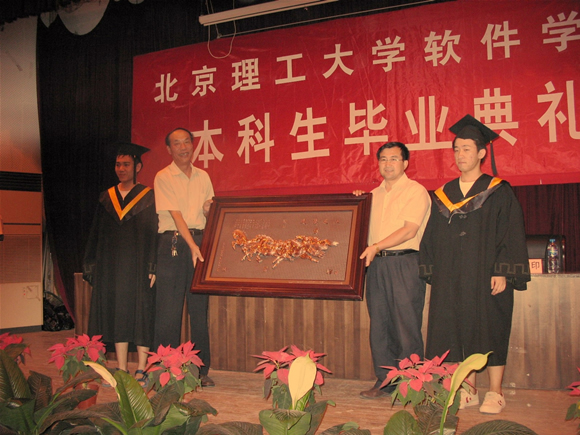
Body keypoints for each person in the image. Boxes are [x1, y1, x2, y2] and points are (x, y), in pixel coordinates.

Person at [419, 115, 531, 414]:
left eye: (466, 149)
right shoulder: (444, 194)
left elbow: (510, 232)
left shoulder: (498, 191)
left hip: (486, 274)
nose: (460, 154)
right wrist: (433, 270)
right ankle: (468, 388)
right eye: (456, 149)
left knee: (490, 327)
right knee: (456, 327)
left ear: (482, 152)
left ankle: (495, 391)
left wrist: (502, 270)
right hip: (452, 275)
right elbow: (432, 235)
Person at [356, 142, 431, 399]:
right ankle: (385, 381)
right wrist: (356, 204)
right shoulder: (371, 195)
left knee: (406, 325)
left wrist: (377, 246)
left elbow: (409, 230)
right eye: (383, 159)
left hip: (404, 263)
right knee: (380, 325)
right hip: (376, 264)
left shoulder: (415, 191)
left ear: (405, 163)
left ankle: (411, 384)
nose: (388, 164)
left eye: (394, 159)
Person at [83, 142, 157, 386]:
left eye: (126, 164)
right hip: (112, 267)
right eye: (118, 164)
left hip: (138, 266)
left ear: (138, 167)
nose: (121, 169)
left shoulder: (148, 196)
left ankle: (142, 368)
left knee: (141, 312)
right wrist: (92, 264)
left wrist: (152, 265)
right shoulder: (106, 197)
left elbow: (154, 235)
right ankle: (122, 368)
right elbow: (96, 234)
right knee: (119, 313)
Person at [153, 127, 215, 387]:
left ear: (193, 144)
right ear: (169, 149)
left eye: (186, 142)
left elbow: (209, 210)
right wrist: (191, 246)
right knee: (169, 310)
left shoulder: (203, 176)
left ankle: (201, 370)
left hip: (199, 242)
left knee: (199, 310)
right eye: (177, 144)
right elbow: (176, 216)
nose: (183, 147)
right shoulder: (163, 177)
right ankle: (167, 369)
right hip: (175, 244)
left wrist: (210, 209)